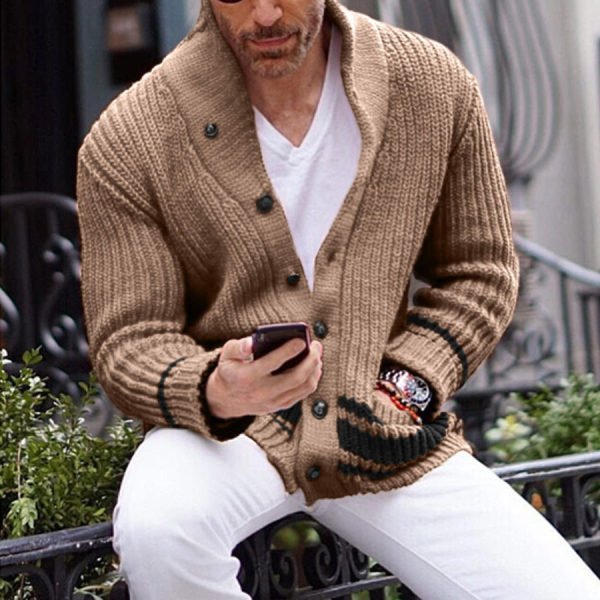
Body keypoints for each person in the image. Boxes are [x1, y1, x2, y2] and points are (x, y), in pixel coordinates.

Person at [75, 0, 600, 598]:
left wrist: (407, 385)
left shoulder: (431, 84)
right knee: (159, 532)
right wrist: (214, 388)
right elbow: (129, 339)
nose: (265, 14)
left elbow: (479, 272)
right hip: (230, 433)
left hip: (381, 424)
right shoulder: (129, 137)